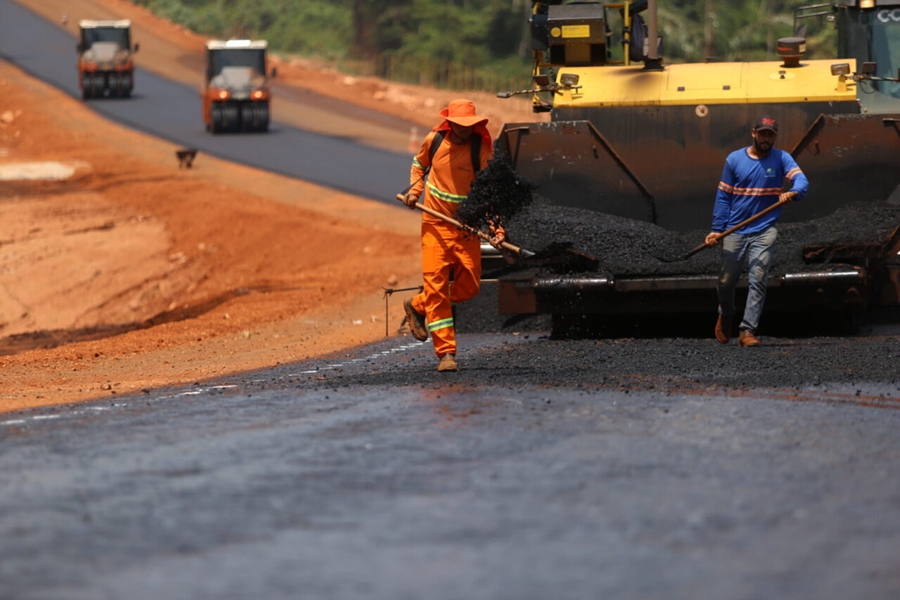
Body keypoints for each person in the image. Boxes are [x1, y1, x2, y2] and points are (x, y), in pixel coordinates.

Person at [401, 99, 505, 372]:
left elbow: (489, 193)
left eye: (468, 126)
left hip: (467, 228)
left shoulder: (479, 149)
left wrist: (497, 230)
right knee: (436, 288)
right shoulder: (433, 141)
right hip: (435, 225)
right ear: (450, 123)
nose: (463, 130)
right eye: (459, 125)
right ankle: (446, 354)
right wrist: (414, 192)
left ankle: (417, 304)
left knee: (470, 287)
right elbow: (418, 165)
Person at [706, 115, 809, 347]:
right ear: (753, 133)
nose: (766, 138)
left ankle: (747, 331)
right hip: (735, 229)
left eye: (770, 134)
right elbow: (723, 197)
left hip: (765, 229)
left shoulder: (782, 158)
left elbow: (802, 181)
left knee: (759, 278)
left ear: (774, 136)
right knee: (725, 280)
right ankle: (727, 313)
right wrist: (716, 230)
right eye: (762, 133)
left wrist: (793, 192)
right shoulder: (734, 160)